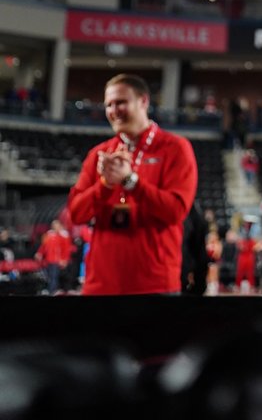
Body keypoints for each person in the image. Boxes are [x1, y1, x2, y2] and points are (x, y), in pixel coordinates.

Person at [67, 73, 198, 295]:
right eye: (108, 104)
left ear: (143, 101)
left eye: (120, 102)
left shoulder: (175, 148)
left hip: (155, 285)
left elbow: (175, 212)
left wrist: (131, 182)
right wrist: (105, 185)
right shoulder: (99, 154)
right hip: (100, 285)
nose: (113, 110)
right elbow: (76, 214)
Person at [35, 218, 73, 294]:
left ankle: (52, 291)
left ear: (60, 226)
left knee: (53, 277)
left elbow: (66, 249)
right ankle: (50, 289)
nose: (55, 226)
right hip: (48, 259)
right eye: (53, 225)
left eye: (56, 225)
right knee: (48, 276)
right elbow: (44, 245)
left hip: (56, 260)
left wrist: (64, 259)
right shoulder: (49, 234)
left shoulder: (63, 236)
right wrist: (39, 253)